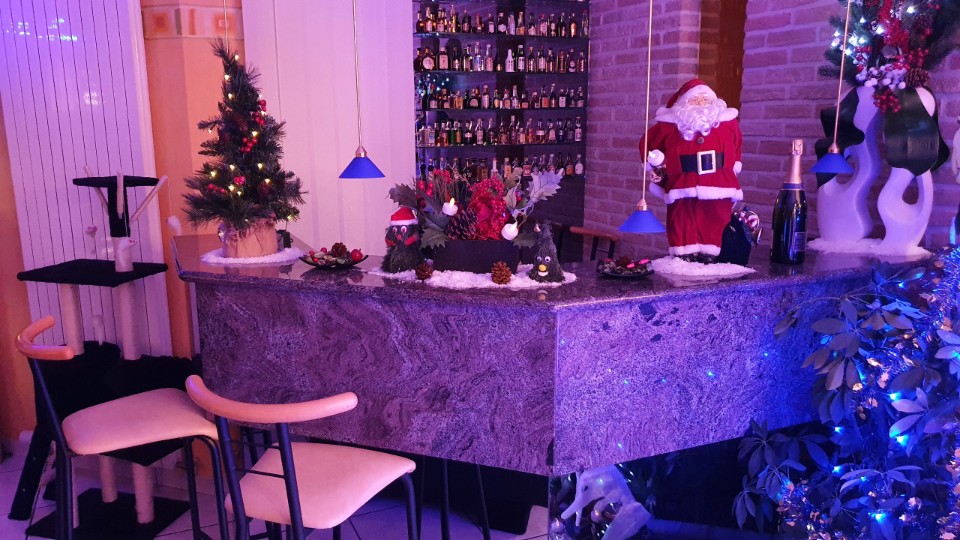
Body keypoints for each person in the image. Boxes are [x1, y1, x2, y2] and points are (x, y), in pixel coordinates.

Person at [640, 79, 743, 263]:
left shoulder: (729, 123)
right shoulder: (669, 126)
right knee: (681, 215)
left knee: (716, 214)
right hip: (683, 181)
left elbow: (737, 147)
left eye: (706, 99)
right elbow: (647, 142)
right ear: (683, 104)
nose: (701, 104)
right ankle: (683, 251)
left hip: (718, 181)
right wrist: (654, 163)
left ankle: (711, 251)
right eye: (695, 100)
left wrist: (732, 167)